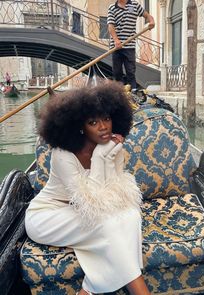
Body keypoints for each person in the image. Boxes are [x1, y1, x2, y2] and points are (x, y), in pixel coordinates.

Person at [25, 81, 151, 295]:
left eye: (107, 119)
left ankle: (89, 290)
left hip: (81, 212)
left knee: (131, 214)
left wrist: (108, 154)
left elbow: (111, 190)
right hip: (47, 216)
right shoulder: (63, 154)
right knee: (108, 224)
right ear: (80, 126)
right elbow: (91, 201)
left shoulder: (112, 147)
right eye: (93, 122)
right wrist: (101, 156)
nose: (103, 127)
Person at [107, 0, 155, 91]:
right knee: (117, 73)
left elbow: (146, 15)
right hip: (116, 46)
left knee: (130, 72)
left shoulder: (135, 5)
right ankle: (119, 94)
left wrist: (151, 21)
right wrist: (116, 40)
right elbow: (110, 26)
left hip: (129, 45)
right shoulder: (112, 7)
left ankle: (133, 92)